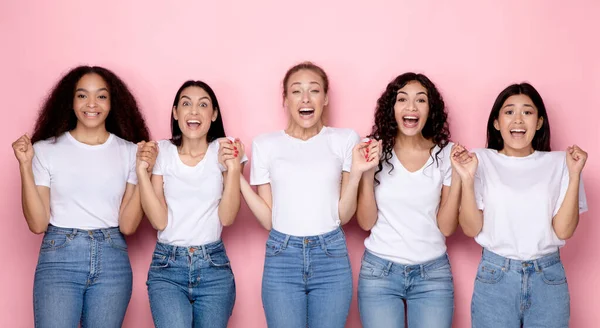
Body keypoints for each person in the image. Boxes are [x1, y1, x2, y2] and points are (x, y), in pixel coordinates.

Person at [11, 66, 152, 327]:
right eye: (82, 95)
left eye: (101, 96)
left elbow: (129, 225)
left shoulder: (130, 152)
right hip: (59, 256)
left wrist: (144, 169)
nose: (91, 104)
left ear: (112, 103)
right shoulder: (44, 151)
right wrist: (24, 165)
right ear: (71, 101)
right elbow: (38, 224)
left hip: (112, 258)